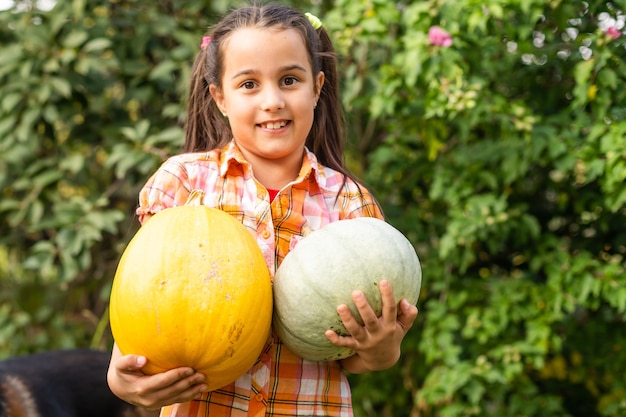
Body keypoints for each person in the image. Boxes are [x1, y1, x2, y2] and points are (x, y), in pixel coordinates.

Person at [107, 4, 418, 416]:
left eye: (289, 80)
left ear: (317, 87)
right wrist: (122, 380)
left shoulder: (349, 204)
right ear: (220, 97)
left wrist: (381, 350)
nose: (272, 101)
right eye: (249, 84)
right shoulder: (184, 184)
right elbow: (142, 306)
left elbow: (355, 359)